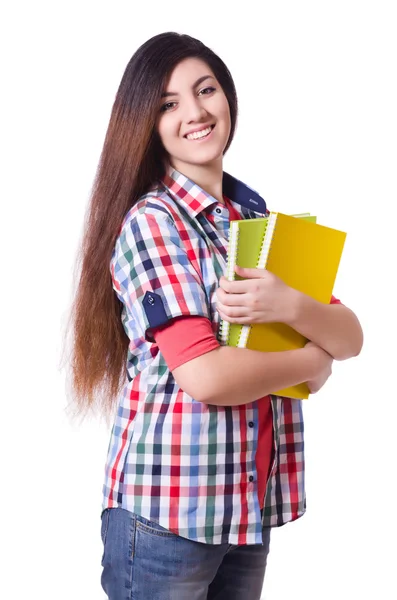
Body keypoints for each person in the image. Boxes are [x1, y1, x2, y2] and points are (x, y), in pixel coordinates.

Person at [69, 32, 363, 600]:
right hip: (166, 518)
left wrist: (291, 306)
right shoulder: (155, 223)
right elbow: (205, 376)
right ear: (146, 123)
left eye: (206, 90)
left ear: (228, 97)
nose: (196, 112)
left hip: (244, 512)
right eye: (169, 103)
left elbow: (350, 336)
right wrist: (310, 361)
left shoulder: (255, 219)